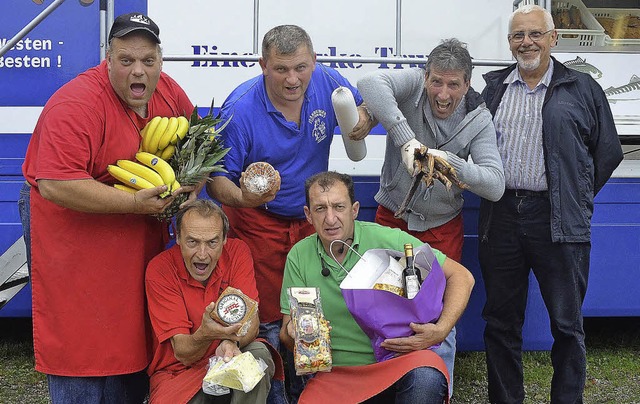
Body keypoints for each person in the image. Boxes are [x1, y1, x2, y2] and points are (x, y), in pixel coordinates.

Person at [21, 12, 196, 403]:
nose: (139, 71)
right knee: (80, 352)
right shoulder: (75, 104)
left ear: (160, 61)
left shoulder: (168, 92)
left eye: (148, 61)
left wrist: (194, 187)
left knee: (134, 346)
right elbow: (54, 182)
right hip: (76, 252)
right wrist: (134, 202)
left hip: (136, 249)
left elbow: (197, 143)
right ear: (108, 58)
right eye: (126, 60)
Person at [206, 24, 375, 402]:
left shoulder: (329, 81)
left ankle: (313, 392)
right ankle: (272, 393)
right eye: (281, 69)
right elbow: (216, 181)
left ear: (314, 61)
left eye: (300, 67)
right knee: (266, 319)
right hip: (258, 223)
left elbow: (367, 105)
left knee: (310, 312)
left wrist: (362, 120)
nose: (293, 78)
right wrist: (245, 198)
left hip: (311, 222)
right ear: (263, 64)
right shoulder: (241, 109)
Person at [479, 5, 623, 404]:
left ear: (553, 38)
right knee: (500, 322)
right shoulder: (493, 89)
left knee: (566, 325)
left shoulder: (582, 88)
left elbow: (607, 152)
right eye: (517, 35)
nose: (526, 42)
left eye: (534, 34)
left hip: (558, 219)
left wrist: (572, 195)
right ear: (509, 43)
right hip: (502, 215)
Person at [279, 171, 475, 402]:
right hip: (336, 375)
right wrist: (296, 334)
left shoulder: (387, 239)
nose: (330, 219)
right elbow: (285, 333)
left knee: (426, 377)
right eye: (320, 209)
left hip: (397, 361)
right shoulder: (299, 256)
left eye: (339, 207)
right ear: (308, 215)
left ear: (354, 210)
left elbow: (461, 276)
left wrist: (441, 330)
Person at [357, 38, 504, 262]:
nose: (443, 95)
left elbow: (495, 185)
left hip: (442, 229)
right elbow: (369, 82)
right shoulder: (414, 83)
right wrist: (407, 141)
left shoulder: (480, 119)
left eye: (453, 85)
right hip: (392, 219)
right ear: (425, 77)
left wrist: (449, 163)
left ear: (467, 85)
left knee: (439, 297)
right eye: (436, 82)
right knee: (384, 296)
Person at [145, 199, 281, 403]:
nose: (202, 254)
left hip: (229, 356)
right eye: (192, 242)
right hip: (179, 372)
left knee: (258, 353)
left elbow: (251, 323)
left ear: (225, 238)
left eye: (212, 242)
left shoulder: (237, 252)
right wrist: (205, 335)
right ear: (178, 237)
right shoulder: (160, 269)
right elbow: (183, 353)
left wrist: (228, 341)